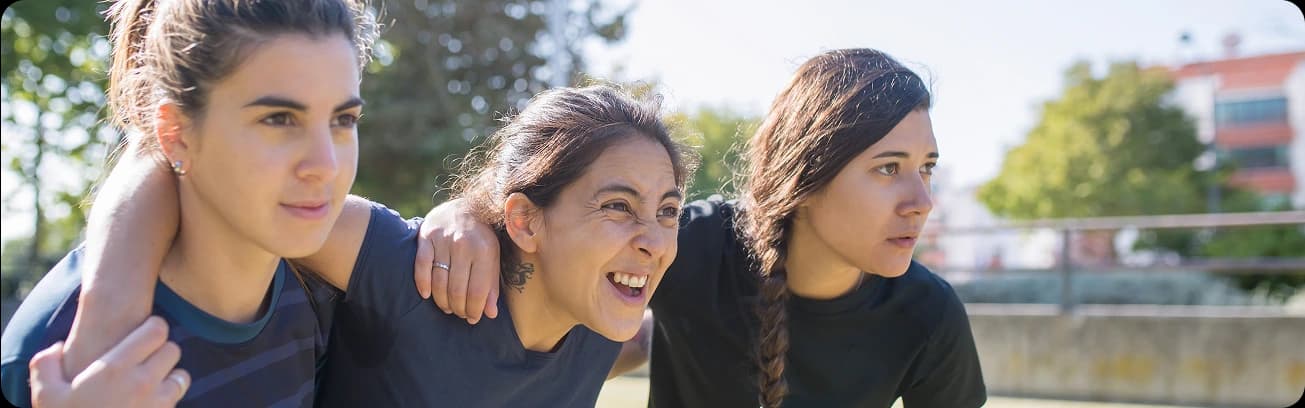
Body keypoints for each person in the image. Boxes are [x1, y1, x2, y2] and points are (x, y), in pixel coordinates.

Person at [32, 84, 696, 406]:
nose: (652, 241)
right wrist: (106, 313)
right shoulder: (405, 269)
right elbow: (187, 167)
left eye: (667, 211)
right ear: (523, 222)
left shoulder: (609, 326)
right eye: (618, 207)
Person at [416, 48, 987, 407]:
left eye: (926, 169)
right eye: (888, 169)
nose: (922, 201)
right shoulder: (691, 243)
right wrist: (462, 214)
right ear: (807, 175)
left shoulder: (928, 314)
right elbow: (556, 254)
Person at [0, 0, 378, 406]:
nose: (325, 166)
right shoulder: (58, 358)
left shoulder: (318, 301)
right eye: (279, 119)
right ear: (175, 132)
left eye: (343, 120)